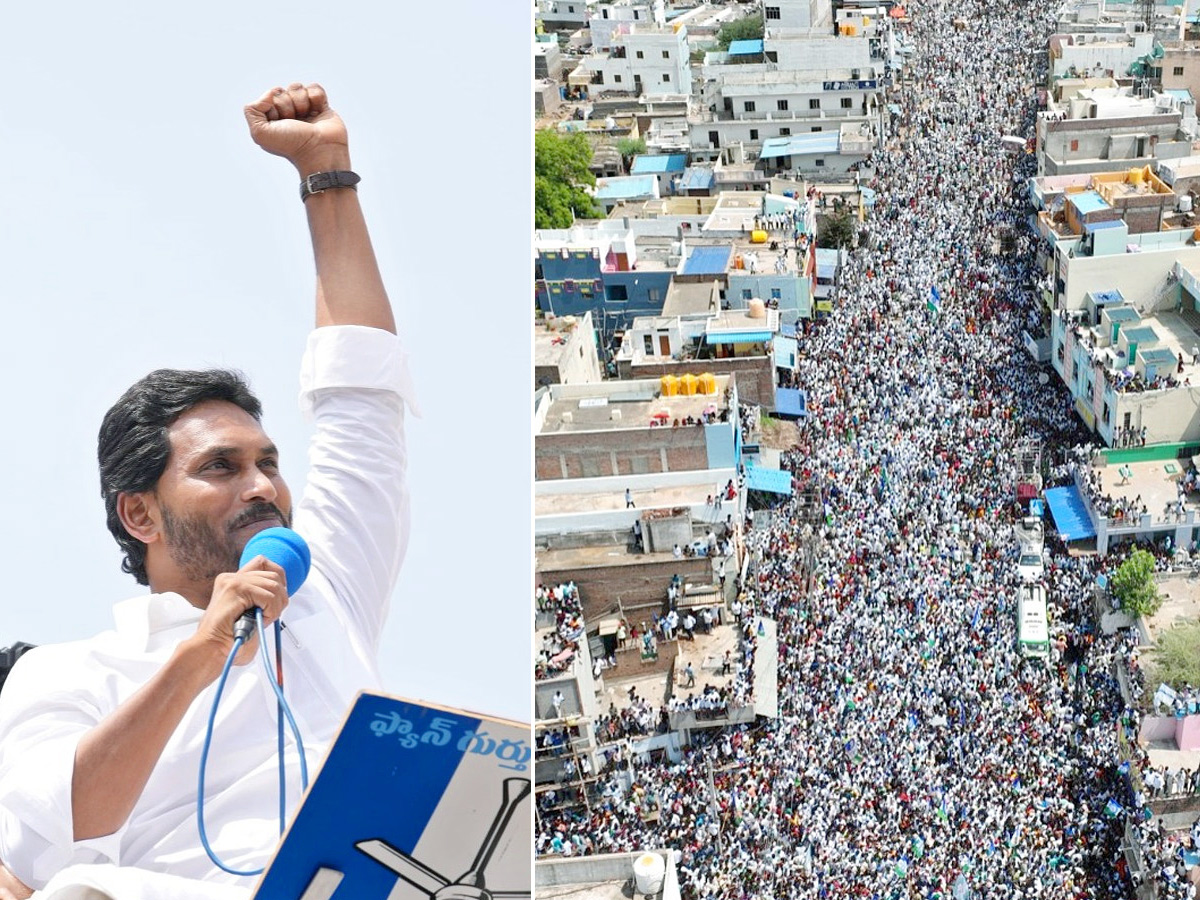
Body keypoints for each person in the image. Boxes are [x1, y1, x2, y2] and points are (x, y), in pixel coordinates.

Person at [0, 83, 415, 899]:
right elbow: (65, 820)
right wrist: (202, 653)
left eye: (268, 462)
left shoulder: (325, 599)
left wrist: (326, 171)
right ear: (139, 512)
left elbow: (362, 399)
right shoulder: (68, 674)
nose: (261, 486)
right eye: (219, 468)